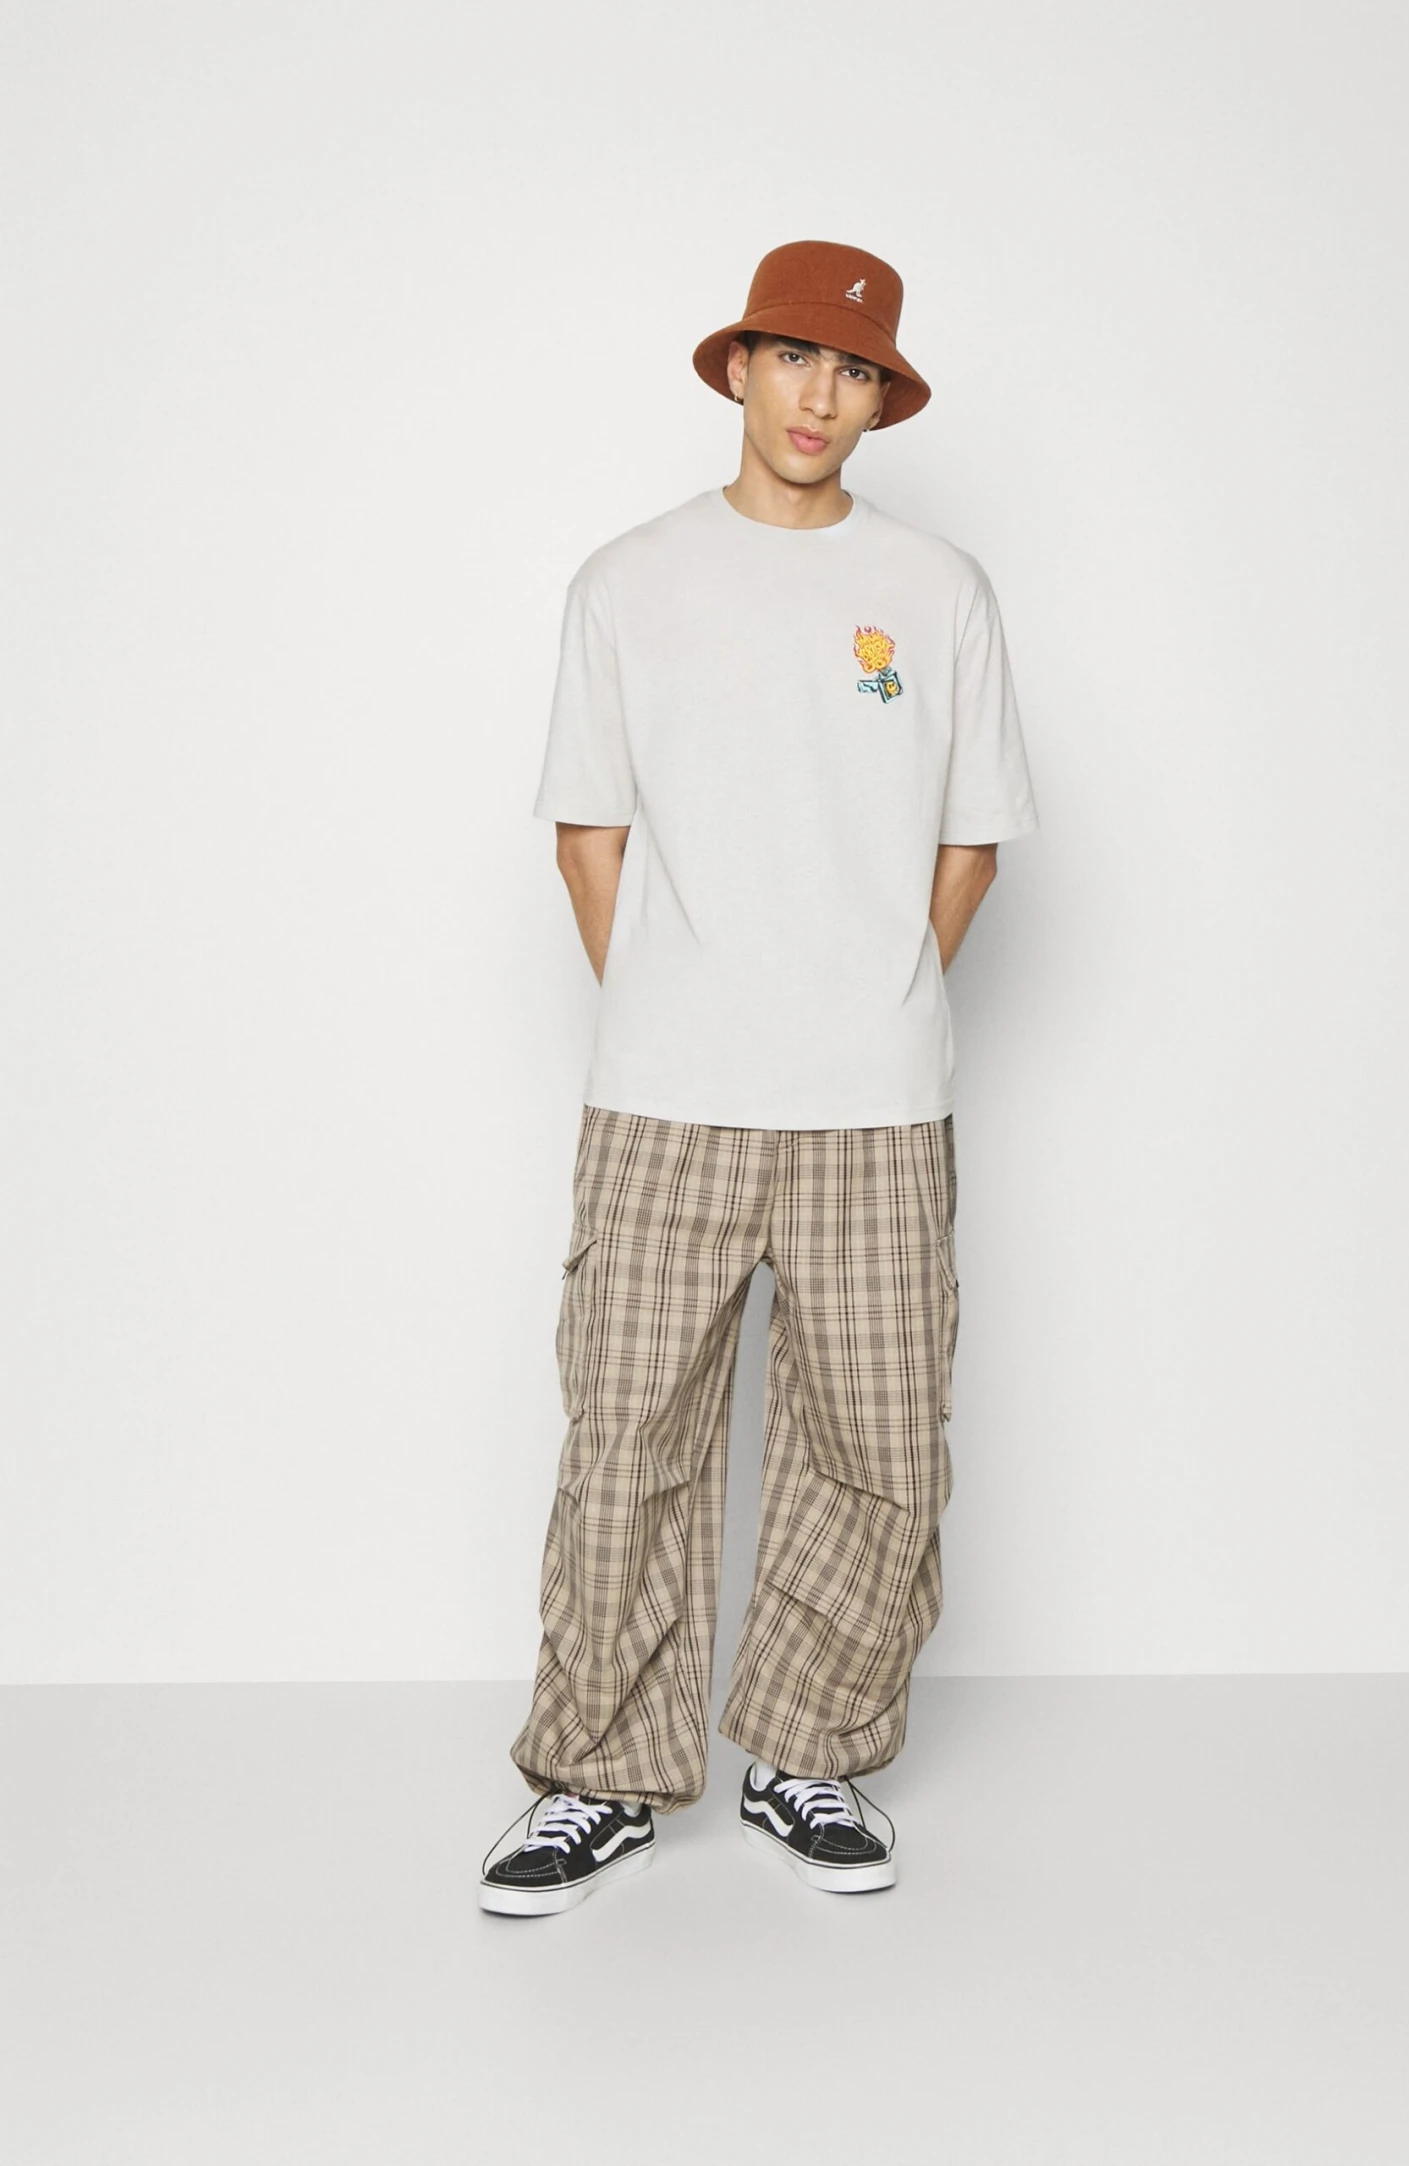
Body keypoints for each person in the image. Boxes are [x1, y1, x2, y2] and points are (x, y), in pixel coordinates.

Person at [478, 238, 1039, 1916]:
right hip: (666, 1093)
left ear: (882, 399)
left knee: (880, 1440)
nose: (821, 395)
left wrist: (870, 994)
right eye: (796, 356)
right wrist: (682, 998)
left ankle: (809, 1750)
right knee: (627, 1436)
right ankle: (599, 1774)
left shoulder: (938, 590)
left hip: (878, 1100)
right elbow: (589, 832)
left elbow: (971, 841)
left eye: (856, 370)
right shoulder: (628, 583)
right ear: (738, 368)